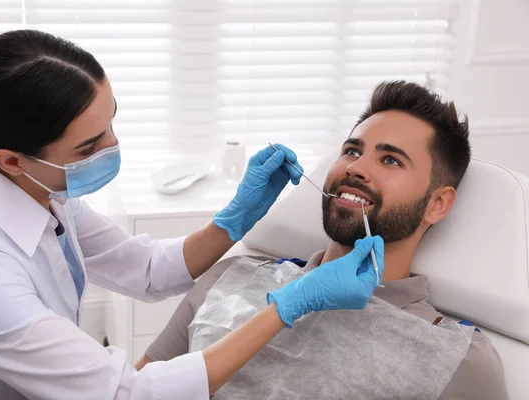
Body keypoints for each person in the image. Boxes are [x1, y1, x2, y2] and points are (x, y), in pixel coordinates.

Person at [0, 29, 385, 400]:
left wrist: (236, 218)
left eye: (110, 123)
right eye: (88, 147)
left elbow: (146, 270)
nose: (111, 147)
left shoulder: (39, 188)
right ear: (12, 159)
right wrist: (291, 304)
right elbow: (128, 393)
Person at [137, 81, 509, 399]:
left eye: (391, 161)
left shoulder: (458, 356)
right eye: (352, 151)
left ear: (437, 203)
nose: (356, 168)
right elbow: (129, 391)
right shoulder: (232, 277)